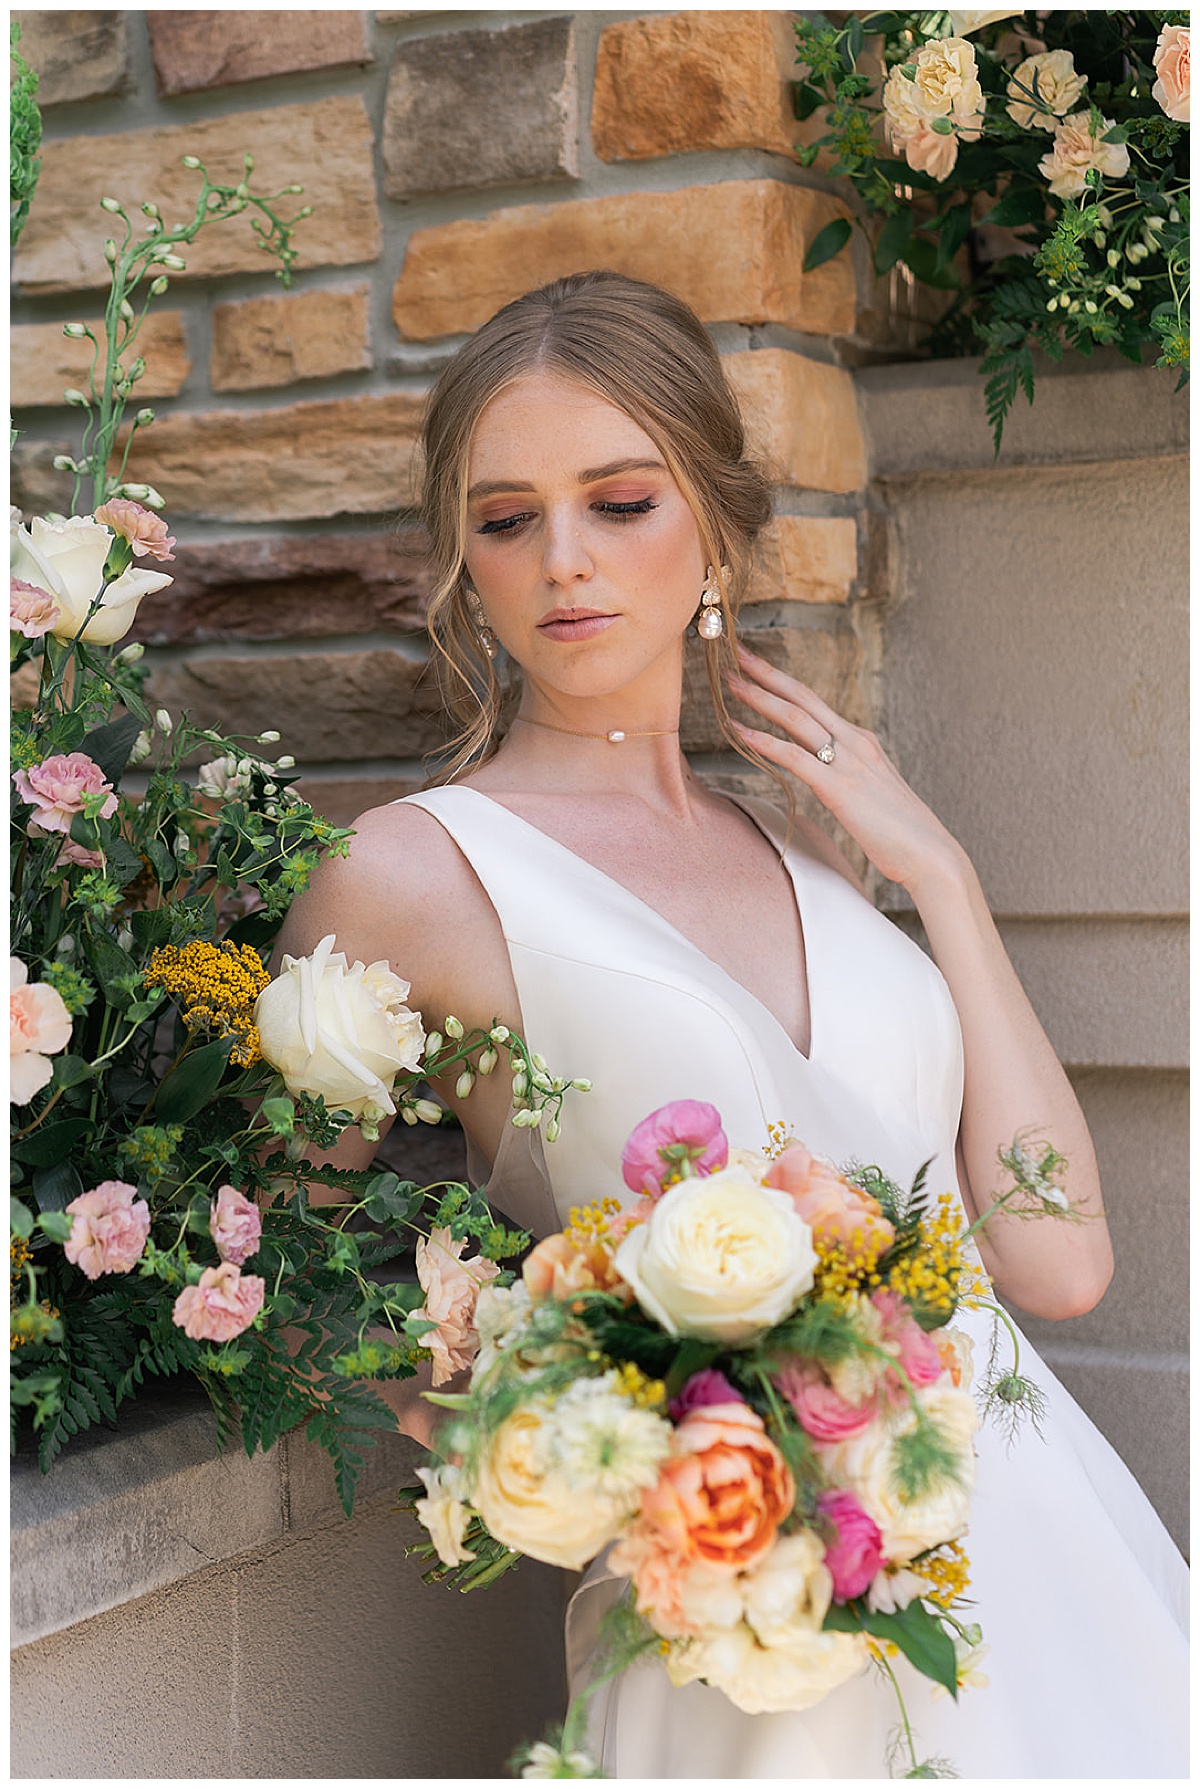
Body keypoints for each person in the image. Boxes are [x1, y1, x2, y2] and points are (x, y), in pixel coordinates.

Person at [274, 272, 1188, 1777]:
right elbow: (280, 1273)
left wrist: (944, 880)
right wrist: (542, 1445)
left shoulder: (814, 847)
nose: (563, 562)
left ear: (711, 522)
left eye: (618, 500)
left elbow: (1057, 1259)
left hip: (1044, 1576)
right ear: (465, 563)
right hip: (750, 1626)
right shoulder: (412, 876)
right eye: (507, 520)